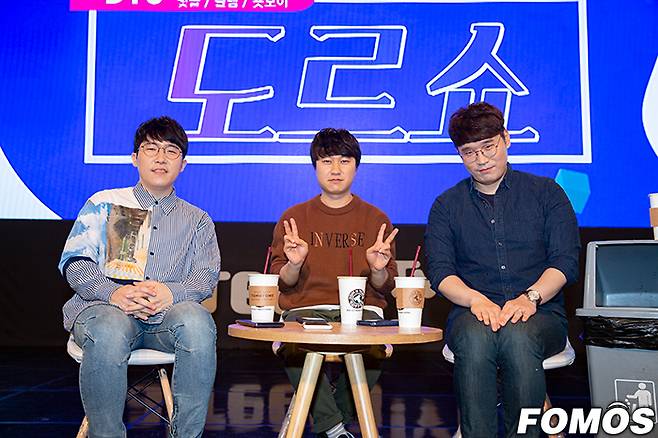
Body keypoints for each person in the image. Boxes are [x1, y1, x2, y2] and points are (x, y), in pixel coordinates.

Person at [424, 102, 580, 437]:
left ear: (506, 139)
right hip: (472, 314)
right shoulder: (446, 206)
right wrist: (475, 300)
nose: (481, 159)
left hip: (541, 314)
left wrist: (530, 297)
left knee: (518, 335)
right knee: (474, 338)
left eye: (488, 147)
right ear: (459, 155)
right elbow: (440, 272)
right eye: (469, 152)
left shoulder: (547, 193)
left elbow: (565, 261)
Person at [59, 116, 220, 438]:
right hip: (105, 310)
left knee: (198, 323)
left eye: (171, 151)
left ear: (183, 164)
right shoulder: (105, 203)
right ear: (135, 158)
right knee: (109, 327)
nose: (161, 158)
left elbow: (205, 277)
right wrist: (113, 293)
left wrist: (170, 293)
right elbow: (75, 263)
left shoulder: (198, 220)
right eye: (151, 149)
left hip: (165, 319)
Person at [269, 128, 399, 438]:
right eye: (327, 161)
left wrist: (378, 269)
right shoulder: (293, 217)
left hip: (362, 311)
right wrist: (294, 263)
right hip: (306, 310)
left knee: (375, 349)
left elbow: (385, 286)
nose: (336, 169)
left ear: (357, 166)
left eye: (345, 161)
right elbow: (282, 282)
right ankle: (336, 429)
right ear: (315, 166)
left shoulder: (376, 219)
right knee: (293, 345)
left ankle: (331, 425)